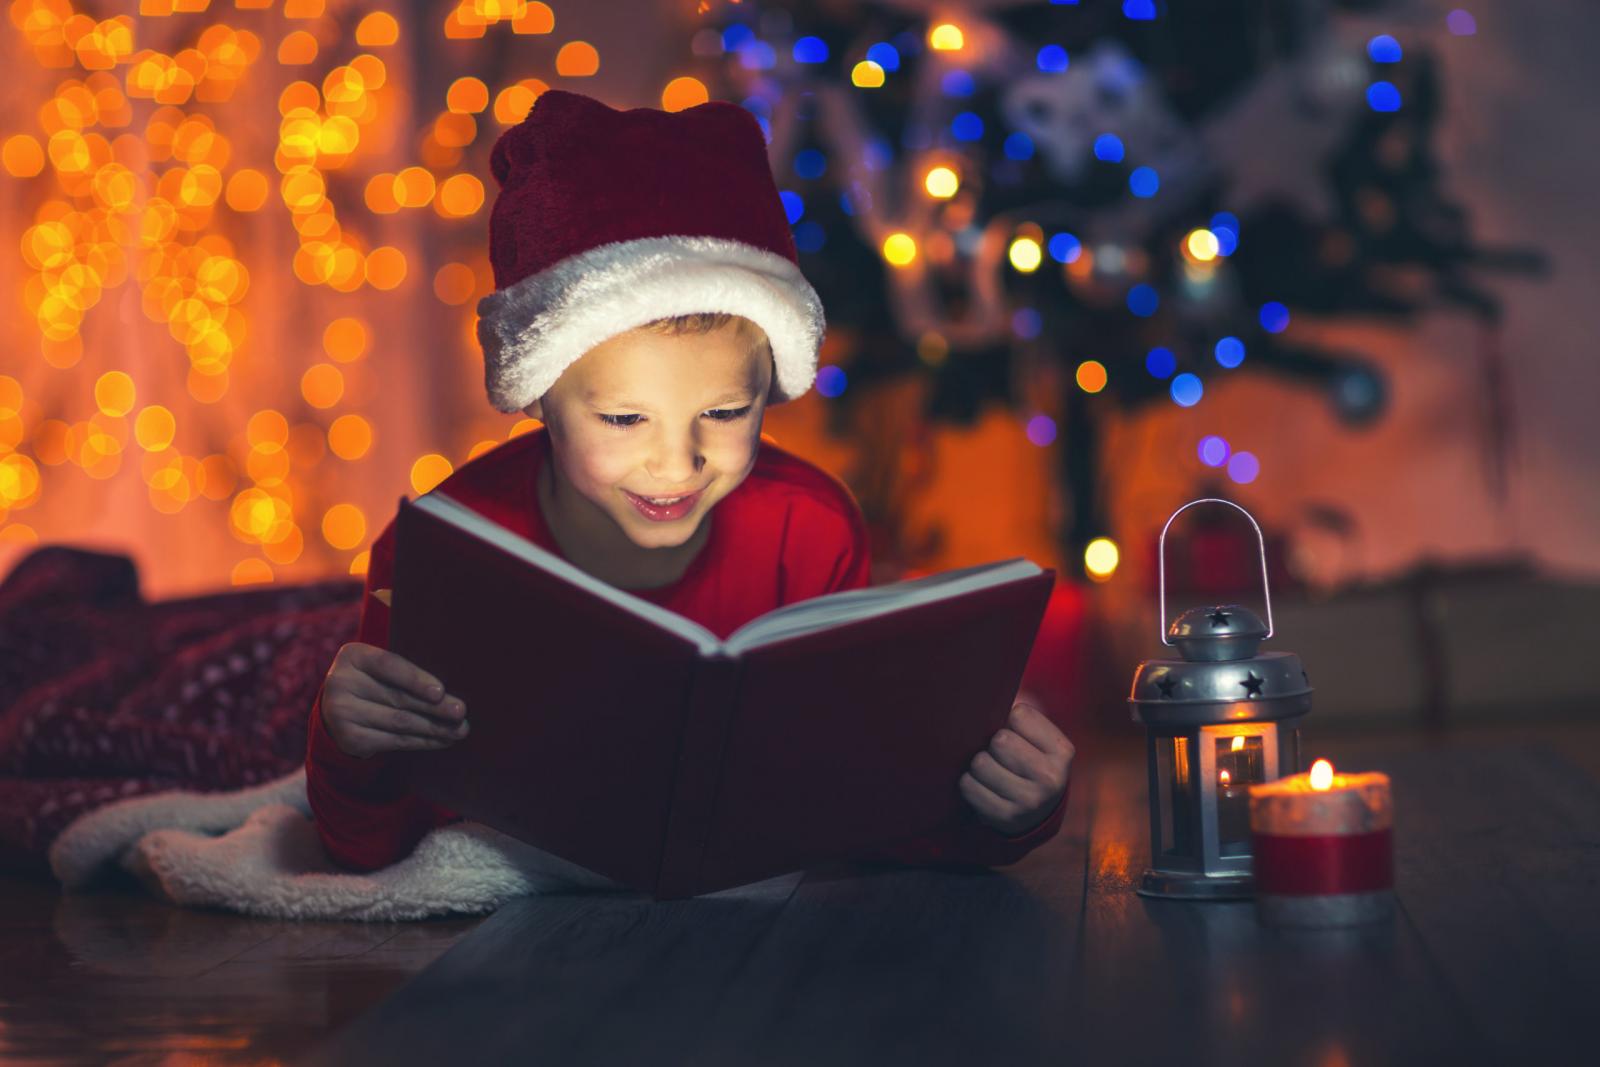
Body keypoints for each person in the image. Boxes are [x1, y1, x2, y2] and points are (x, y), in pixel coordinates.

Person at [306, 89, 1075, 877]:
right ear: (539, 396)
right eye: (623, 420)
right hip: (518, 971)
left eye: (724, 410)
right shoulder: (444, 547)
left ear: (770, 387)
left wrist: (1008, 807)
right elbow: (366, 846)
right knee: (296, 670)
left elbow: (860, 812)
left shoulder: (810, 531)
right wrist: (345, 743)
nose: (678, 465)